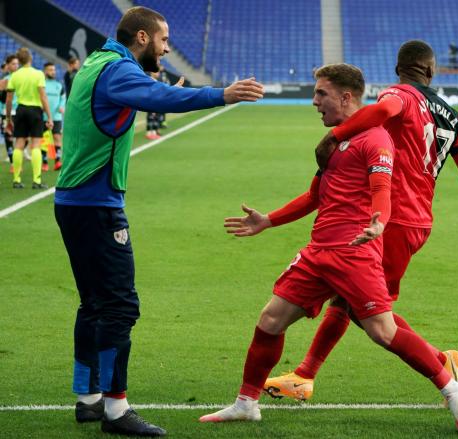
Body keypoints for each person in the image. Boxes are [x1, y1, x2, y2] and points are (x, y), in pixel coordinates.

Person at [199, 63, 458, 434]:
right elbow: (314, 196)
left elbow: (382, 188)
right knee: (270, 320)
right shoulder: (335, 143)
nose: (314, 101)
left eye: (321, 94)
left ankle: (452, 387)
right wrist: (269, 220)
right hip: (318, 251)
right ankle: (246, 403)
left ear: (346, 97)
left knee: (381, 330)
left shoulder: (375, 138)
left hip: (354, 253)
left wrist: (378, 220)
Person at [54, 6, 264, 437]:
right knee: (119, 306)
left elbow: (130, 96)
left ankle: (88, 397)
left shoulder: (99, 61)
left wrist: (148, 86)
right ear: (144, 38)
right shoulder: (117, 71)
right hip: (97, 206)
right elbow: (164, 98)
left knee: (93, 304)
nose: (169, 48)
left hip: (74, 202)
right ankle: (115, 410)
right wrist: (221, 94)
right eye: (164, 40)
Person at [265, 40, 458, 402]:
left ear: (397, 69)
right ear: (432, 71)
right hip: (418, 222)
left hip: (387, 216)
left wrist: (336, 135)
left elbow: (384, 109)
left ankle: (440, 363)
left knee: (367, 309)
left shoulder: (398, 94)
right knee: (349, 298)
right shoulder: (453, 116)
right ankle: (305, 376)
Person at [5, 47, 53, 189]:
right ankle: (36, 181)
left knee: (19, 144)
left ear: (18, 61)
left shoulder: (14, 75)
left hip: (20, 110)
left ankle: (16, 180)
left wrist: (8, 118)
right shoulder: (38, 74)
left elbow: (8, 100)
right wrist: (49, 116)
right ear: (30, 59)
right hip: (35, 111)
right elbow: (43, 96)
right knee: (36, 145)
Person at [42, 62, 66, 171]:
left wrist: (62, 107)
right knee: (44, 140)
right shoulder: (42, 84)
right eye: (51, 70)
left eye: (54, 70)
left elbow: (63, 98)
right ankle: (44, 162)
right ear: (45, 71)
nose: (53, 72)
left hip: (56, 117)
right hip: (43, 117)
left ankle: (57, 161)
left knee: (57, 137)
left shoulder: (59, 85)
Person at [1, 54, 20, 174]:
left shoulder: (21, 77)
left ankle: (17, 160)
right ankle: (14, 163)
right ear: (7, 65)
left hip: (21, 111)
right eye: (13, 63)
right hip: (7, 112)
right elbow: (1, 100)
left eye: (17, 63)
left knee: (23, 138)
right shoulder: (4, 80)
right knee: (8, 137)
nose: (16, 66)